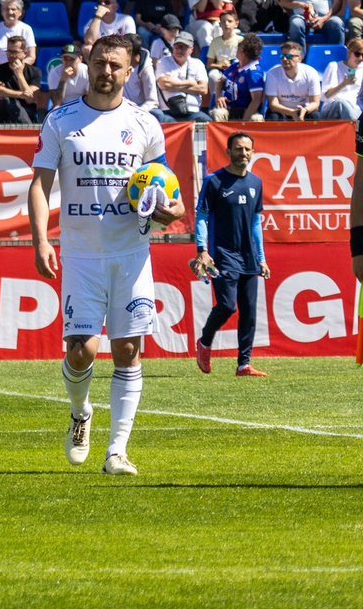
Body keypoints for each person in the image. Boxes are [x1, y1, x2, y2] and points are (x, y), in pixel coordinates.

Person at [27, 34, 181, 476]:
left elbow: (168, 191)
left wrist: (168, 211)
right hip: (80, 255)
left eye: (115, 64)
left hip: (131, 253)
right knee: (80, 352)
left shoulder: (146, 123)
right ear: (87, 65)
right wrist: (41, 240)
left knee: (129, 349)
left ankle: (117, 452)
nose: (106, 71)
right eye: (99, 62)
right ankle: (80, 413)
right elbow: (39, 184)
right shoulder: (60, 119)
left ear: (130, 70)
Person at [192, 130, 270, 376]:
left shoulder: (256, 182)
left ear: (253, 152)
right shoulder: (213, 181)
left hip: (248, 256)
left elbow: (256, 222)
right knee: (227, 306)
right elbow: (202, 217)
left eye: (247, 149)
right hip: (222, 254)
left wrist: (262, 258)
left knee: (249, 310)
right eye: (238, 149)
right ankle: (205, 342)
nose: (243, 153)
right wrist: (202, 251)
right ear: (228, 152)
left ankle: (243, 364)